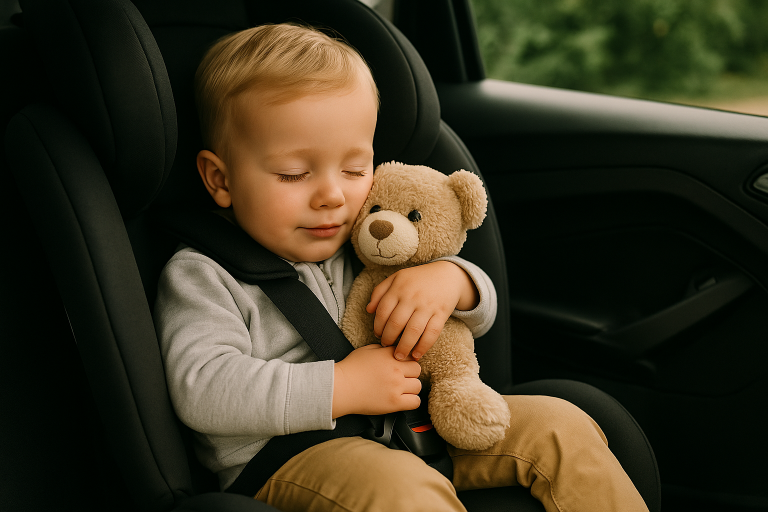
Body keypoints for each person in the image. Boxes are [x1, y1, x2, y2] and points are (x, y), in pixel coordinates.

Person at [154, 23, 650, 512]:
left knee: (559, 425)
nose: (332, 195)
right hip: (292, 459)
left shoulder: (363, 236)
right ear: (220, 179)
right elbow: (203, 387)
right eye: (294, 174)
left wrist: (453, 282)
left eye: (354, 169)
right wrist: (342, 387)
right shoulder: (203, 273)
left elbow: (480, 315)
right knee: (403, 490)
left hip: (410, 427)